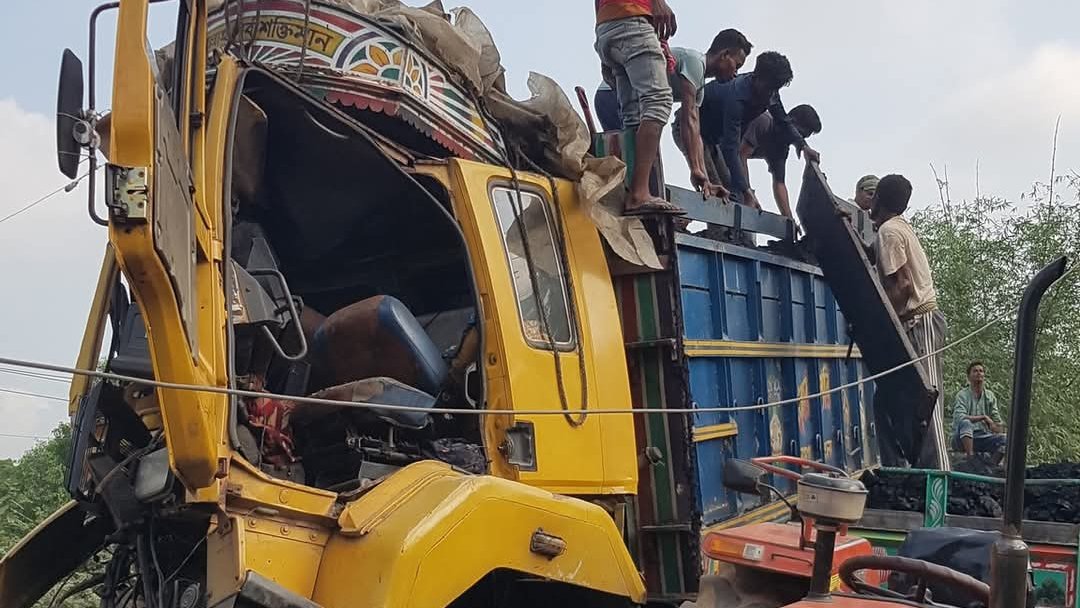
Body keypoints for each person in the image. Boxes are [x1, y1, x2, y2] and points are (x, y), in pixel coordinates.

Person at [872, 174, 950, 470]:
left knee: (927, 401)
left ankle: (940, 480)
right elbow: (878, 257)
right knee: (885, 401)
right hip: (913, 323)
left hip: (920, 322)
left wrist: (880, 321)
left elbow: (903, 285)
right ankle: (897, 472)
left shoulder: (889, 232)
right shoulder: (896, 228)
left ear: (877, 198)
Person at [594, 0, 683, 216]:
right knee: (658, 101)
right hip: (632, 20)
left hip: (608, 24)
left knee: (632, 115)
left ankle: (631, 190)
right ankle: (640, 193)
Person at [699, 51, 821, 208]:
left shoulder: (770, 93)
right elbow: (731, 148)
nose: (771, 93)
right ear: (758, 77)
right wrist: (746, 189)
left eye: (775, 89)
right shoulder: (737, 98)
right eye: (769, 88)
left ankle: (730, 228)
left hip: (714, 141)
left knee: (735, 193)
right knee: (722, 194)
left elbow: (783, 120)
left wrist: (803, 146)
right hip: (694, 132)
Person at [666, 29, 753, 198]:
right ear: (725, 55)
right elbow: (688, 119)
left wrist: (703, 176)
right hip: (614, 94)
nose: (735, 73)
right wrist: (696, 169)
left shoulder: (700, 88)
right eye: (737, 65)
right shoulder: (694, 62)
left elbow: (695, 132)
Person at [737, 104, 821, 219]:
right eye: (800, 134)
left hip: (731, 157)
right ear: (792, 121)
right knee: (737, 196)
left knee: (745, 203)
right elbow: (741, 155)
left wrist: (789, 219)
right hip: (717, 145)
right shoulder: (764, 121)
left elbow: (779, 183)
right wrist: (748, 193)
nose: (798, 139)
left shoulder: (781, 148)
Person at [952, 361, 1007, 462]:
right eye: (975, 371)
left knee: (1006, 439)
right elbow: (960, 418)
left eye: (981, 371)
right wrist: (984, 417)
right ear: (968, 377)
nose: (978, 373)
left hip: (982, 437)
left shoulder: (990, 396)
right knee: (965, 422)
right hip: (961, 438)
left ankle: (992, 466)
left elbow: (997, 424)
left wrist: (996, 427)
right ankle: (970, 459)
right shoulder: (962, 395)